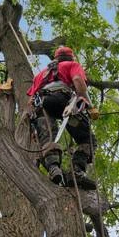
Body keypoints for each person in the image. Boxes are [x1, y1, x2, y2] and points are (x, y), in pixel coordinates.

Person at [27, 46, 98, 186]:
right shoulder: (72, 65)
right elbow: (78, 80)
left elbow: (29, 102)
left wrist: (31, 124)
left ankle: (54, 168)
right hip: (62, 102)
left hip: (41, 106)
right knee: (87, 139)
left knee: (47, 136)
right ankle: (76, 171)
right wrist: (89, 105)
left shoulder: (40, 75)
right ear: (71, 57)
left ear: (56, 58)